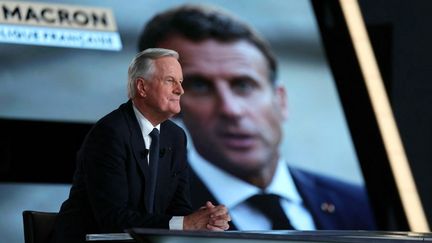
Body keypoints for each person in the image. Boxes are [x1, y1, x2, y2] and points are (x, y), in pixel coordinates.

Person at [137, 5, 377, 231]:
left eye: (243, 84)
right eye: (200, 86)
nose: (231, 110)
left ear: (280, 100)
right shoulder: (150, 215)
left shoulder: (363, 205)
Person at [51, 48, 231, 243]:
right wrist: (185, 224)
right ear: (142, 87)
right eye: (170, 81)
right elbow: (113, 219)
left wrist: (205, 220)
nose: (180, 90)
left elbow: (178, 208)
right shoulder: (110, 133)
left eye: (180, 82)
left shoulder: (176, 137)